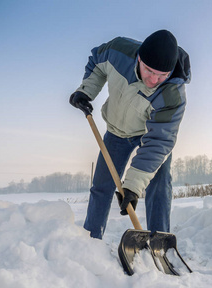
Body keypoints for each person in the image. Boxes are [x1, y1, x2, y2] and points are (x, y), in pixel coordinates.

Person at [69, 30, 191, 239]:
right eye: (149, 70)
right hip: (117, 132)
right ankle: (90, 240)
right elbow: (97, 64)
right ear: (139, 58)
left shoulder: (172, 94)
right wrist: (86, 91)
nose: (154, 80)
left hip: (150, 137)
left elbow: (159, 141)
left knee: (159, 186)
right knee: (102, 186)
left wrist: (133, 187)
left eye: (162, 75)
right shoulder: (118, 51)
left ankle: (159, 239)